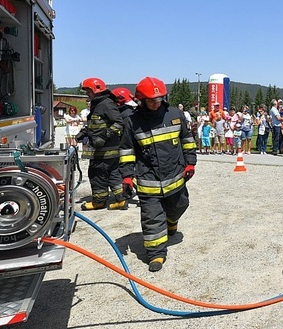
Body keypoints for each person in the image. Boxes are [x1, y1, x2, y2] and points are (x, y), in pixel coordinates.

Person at [119, 77, 197, 272]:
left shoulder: (175, 114)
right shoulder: (132, 122)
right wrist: (127, 176)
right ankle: (156, 254)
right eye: (151, 100)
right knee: (152, 217)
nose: (156, 102)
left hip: (175, 176)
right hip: (148, 179)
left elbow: (187, 139)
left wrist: (190, 163)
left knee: (180, 205)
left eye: (159, 98)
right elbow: (127, 151)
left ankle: (172, 222)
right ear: (141, 100)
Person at [76, 77, 125, 211]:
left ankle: (99, 201)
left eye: (88, 91)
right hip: (107, 150)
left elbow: (119, 123)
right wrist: (84, 132)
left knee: (97, 174)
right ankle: (121, 199)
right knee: (113, 174)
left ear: (96, 90)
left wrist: (103, 137)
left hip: (104, 150)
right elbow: (96, 124)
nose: (87, 94)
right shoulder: (98, 103)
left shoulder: (106, 104)